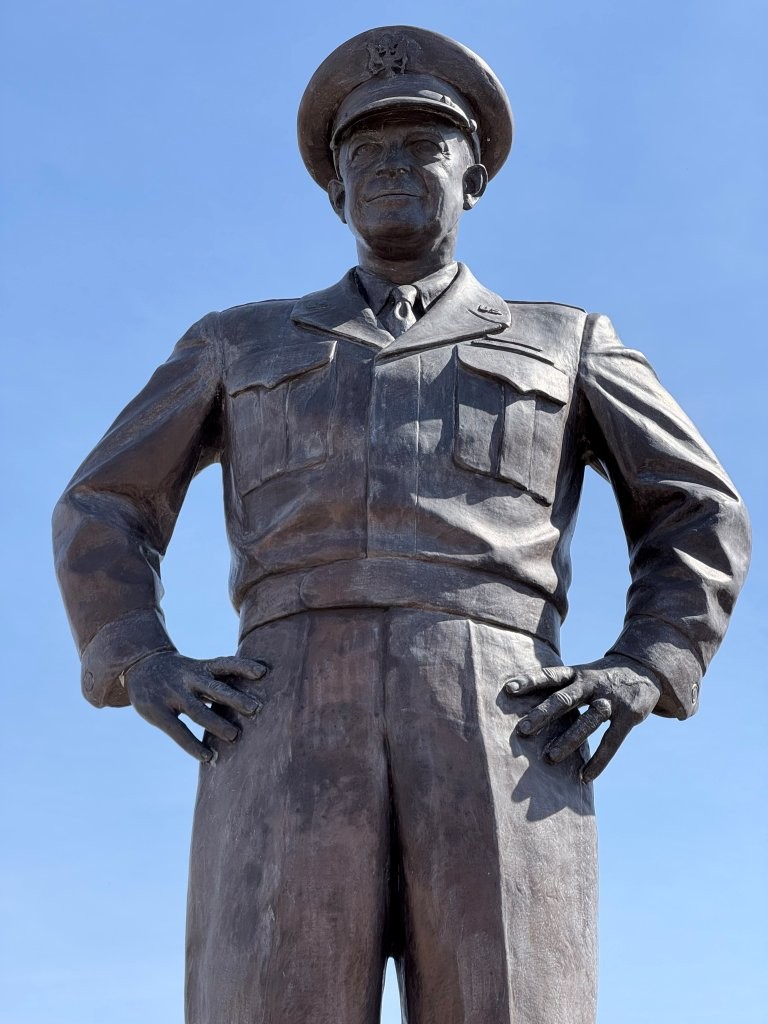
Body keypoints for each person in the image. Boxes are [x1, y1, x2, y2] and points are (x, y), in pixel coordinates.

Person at [53, 25, 750, 1024]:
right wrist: (133, 652)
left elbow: (698, 508)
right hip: (285, 698)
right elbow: (104, 502)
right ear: (335, 191)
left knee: (513, 998)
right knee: (267, 997)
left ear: (474, 178)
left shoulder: (567, 341)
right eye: (365, 151)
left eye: (424, 144)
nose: (392, 164)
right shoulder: (236, 342)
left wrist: (650, 661)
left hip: (506, 709)